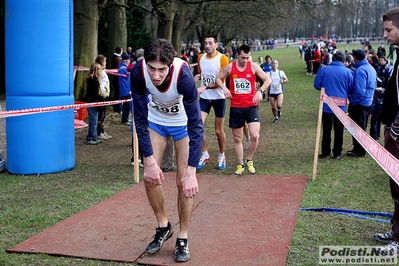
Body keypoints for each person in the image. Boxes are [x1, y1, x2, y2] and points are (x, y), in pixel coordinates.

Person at [130, 38, 204, 263]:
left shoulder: (183, 76)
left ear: (170, 65)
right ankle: (164, 226)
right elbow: (140, 120)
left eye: (161, 70)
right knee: (149, 177)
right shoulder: (137, 72)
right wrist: (150, 162)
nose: (155, 75)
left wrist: (192, 171)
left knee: (184, 182)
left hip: (183, 125)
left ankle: (183, 236)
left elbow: (196, 125)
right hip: (156, 122)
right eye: (152, 68)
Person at [215, 44, 272, 175]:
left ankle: (249, 160)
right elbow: (218, 78)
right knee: (237, 138)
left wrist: (260, 91)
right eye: (242, 58)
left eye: (247, 58)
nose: (245, 60)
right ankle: (240, 164)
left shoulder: (253, 66)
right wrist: (224, 88)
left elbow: (267, 79)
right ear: (237, 56)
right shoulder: (230, 67)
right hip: (236, 106)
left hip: (251, 105)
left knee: (255, 135)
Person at [373, 7, 399, 256]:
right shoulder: (398, 54)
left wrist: (395, 131)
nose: (385, 35)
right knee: (396, 186)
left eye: (389, 30)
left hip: (397, 133)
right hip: (393, 129)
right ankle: (396, 229)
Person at [194, 35, 229, 170]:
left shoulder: (223, 59)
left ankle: (221, 155)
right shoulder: (200, 57)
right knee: (198, 126)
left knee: (218, 131)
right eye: (205, 43)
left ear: (216, 44)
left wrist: (205, 86)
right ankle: (204, 154)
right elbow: (202, 74)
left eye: (210, 43)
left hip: (219, 98)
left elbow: (221, 81)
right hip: (205, 98)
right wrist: (199, 77)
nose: (207, 46)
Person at [313, 50, 354, 159]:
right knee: (339, 130)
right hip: (341, 106)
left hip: (326, 105)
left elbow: (317, 85)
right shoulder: (348, 72)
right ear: (343, 60)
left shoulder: (323, 70)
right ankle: (337, 152)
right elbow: (351, 88)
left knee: (326, 129)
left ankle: (326, 152)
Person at [346, 49, 377, 157]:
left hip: (360, 103)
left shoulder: (360, 71)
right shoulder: (371, 68)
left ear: (355, 58)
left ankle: (359, 150)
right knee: (362, 126)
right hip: (368, 101)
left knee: (357, 128)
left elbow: (360, 90)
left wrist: (352, 102)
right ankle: (359, 148)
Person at [94, 54, 112, 141]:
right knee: (100, 115)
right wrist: (102, 93)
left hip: (105, 94)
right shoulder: (99, 71)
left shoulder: (103, 70)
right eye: (105, 61)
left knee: (103, 115)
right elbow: (100, 84)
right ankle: (98, 132)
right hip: (102, 95)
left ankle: (102, 130)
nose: (106, 63)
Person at [85, 62, 103, 145]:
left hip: (93, 102)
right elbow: (93, 94)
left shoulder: (94, 80)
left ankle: (94, 136)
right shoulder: (93, 81)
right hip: (92, 103)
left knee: (94, 120)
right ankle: (91, 137)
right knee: (93, 121)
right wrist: (96, 103)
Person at [118, 53, 132, 125]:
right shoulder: (124, 68)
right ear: (127, 61)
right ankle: (125, 120)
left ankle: (125, 118)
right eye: (129, 60)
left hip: (126, 89)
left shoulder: (122, 68)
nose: (130, 62)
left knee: (127, 106)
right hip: (125, 90)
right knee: (126, 106)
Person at [111, 47, 123, 113]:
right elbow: (119, 68)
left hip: (115, 77)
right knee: (118, 93)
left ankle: (115, 106)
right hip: (117, 78)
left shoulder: (114, 57)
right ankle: (118, 108)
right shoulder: (118, 59)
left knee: (116, 93)